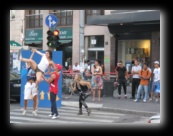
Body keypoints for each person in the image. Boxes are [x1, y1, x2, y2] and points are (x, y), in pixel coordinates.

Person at [22, 51, 38, 116]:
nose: (31, 63)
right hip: (28, 84)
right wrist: (33, 53)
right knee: (26, 99)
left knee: (35, 98)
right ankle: (25, 109)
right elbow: (30, 59)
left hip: (34, 84)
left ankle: (34, 110)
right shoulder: (28, 67)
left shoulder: (36, 69)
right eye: (30, 62)